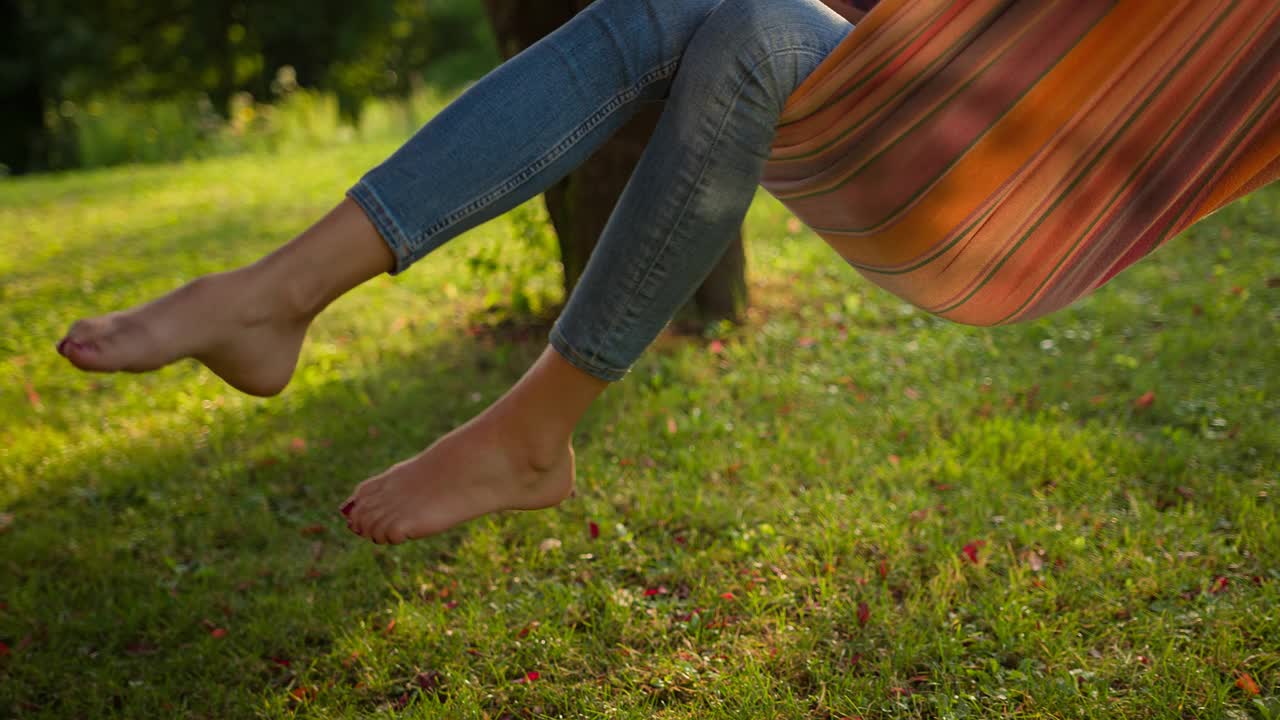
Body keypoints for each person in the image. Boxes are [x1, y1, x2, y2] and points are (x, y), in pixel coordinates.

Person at [56, 0, 1280, 544]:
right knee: (697, 4)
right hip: (892, 71)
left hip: (1020, 176)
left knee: (745, 24)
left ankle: (506, 419)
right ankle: (295, 306)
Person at [55, 0, 858, 544]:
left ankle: (534, 434)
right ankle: (276, 297)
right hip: (869, 33)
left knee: (755, 28)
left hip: (965, 100)